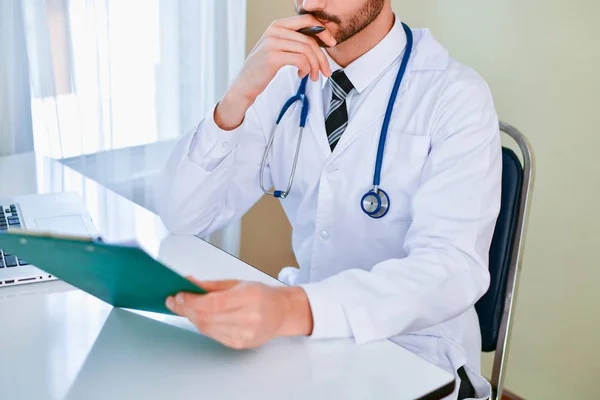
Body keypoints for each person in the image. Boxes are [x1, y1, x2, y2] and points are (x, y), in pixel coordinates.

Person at [156, 0, 501, 399]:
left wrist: (293, 308)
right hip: (308, 343)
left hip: (415, 353)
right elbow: (183, 216)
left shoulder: (456, 96)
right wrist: (238, 95)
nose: (311, 4)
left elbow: (451, 268)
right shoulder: (286, 81)